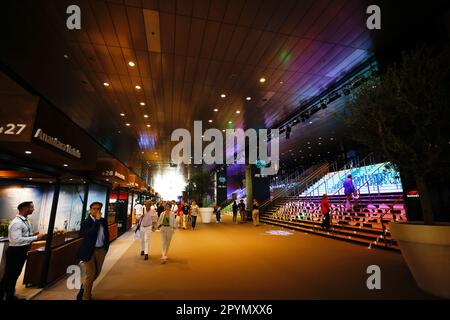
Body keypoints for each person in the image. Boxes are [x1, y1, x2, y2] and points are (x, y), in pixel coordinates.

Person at [0, 202, 46, 301]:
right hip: (15, 251)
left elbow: (23, 236)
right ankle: (7, 296)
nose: (33, 209)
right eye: (32, 207)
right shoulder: (17, 222)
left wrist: (34, 234)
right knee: (10, 275)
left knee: (14, 274)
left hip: (21, 250)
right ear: (25, 208)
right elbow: (17, 240)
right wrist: (35, 237)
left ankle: (9, 295)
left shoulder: (26, 221)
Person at [76, 202, 110, 300]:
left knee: (97, 273)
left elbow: (106, 235)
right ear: (90, 210)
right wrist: (97, 221)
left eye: (99, 209)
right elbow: (89, 234)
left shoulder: (103, 221)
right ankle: (86, 296)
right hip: (89, 251)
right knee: (90, 274)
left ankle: (84, 287)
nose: (97, 211)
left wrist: (105, 248)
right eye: (94, 208)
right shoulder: (85, 222)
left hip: (101, 250)